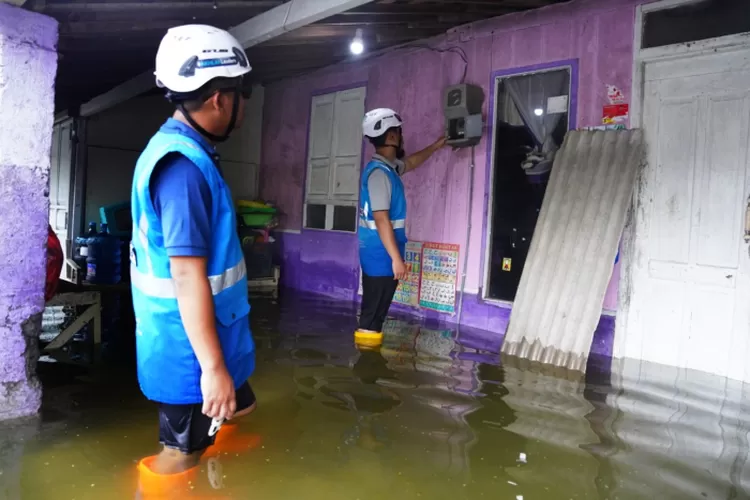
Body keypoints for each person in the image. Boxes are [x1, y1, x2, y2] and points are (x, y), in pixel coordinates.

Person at [129, 24, 257, 479]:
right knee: (178, 457)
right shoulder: (181, 169)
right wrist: (213, 369)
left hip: (211, 339)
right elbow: (186, 277)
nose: (246, 101)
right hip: (190, 354)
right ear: (220, 98)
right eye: (243, 91)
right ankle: (153, 485)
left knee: (238, 411)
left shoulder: (189, 152)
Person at [355, 108, 447, 347]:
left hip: (381, 255)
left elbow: (411, 162)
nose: (402, 137)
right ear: (392, 137)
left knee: (376, 314)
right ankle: (366, 370)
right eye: (399, 132)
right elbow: (382, 218)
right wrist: (397, 259)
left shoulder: (388, 169)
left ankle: (368, 370)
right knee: (372, 317)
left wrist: (437, 146)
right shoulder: (379, 175)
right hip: (381, 257)